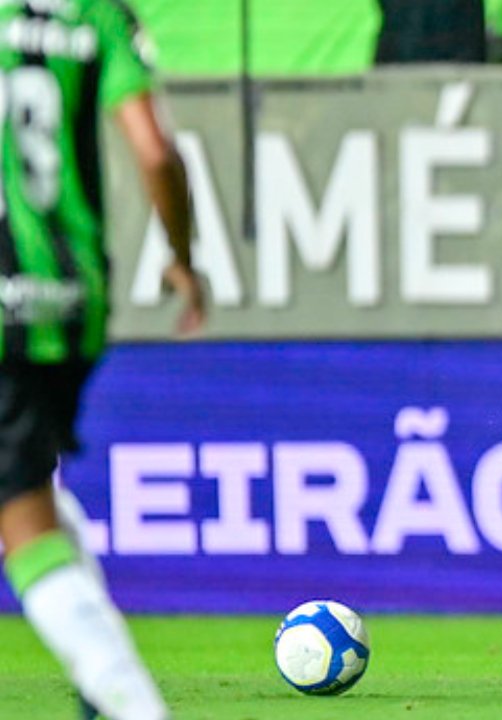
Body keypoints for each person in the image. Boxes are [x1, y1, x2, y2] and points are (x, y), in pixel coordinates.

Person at [0, 2, 205, 719]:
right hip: (69, 299)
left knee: (21, 521)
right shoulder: (98, 17)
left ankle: (131, 703)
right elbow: (155, 151)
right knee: (28, 490)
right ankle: (100, 685)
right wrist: (183, 258)